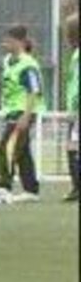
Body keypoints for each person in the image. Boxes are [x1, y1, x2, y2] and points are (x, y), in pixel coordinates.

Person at [0, 24, 46, 203]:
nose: (4, 43)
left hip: (23, 111)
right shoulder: (7, 60)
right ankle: (31, 190)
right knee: (22, 151)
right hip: (12, 111)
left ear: (19, 42)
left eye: (8, 40)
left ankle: (5, 186)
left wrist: (26, 115)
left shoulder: (28, 64)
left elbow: (34, 91)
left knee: (7, 146)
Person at [62, 12, 79, 202]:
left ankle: (77, 187)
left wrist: (73, 111)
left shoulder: (77, 56)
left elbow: (76, 85)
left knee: (72, 147)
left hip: (77, 111)